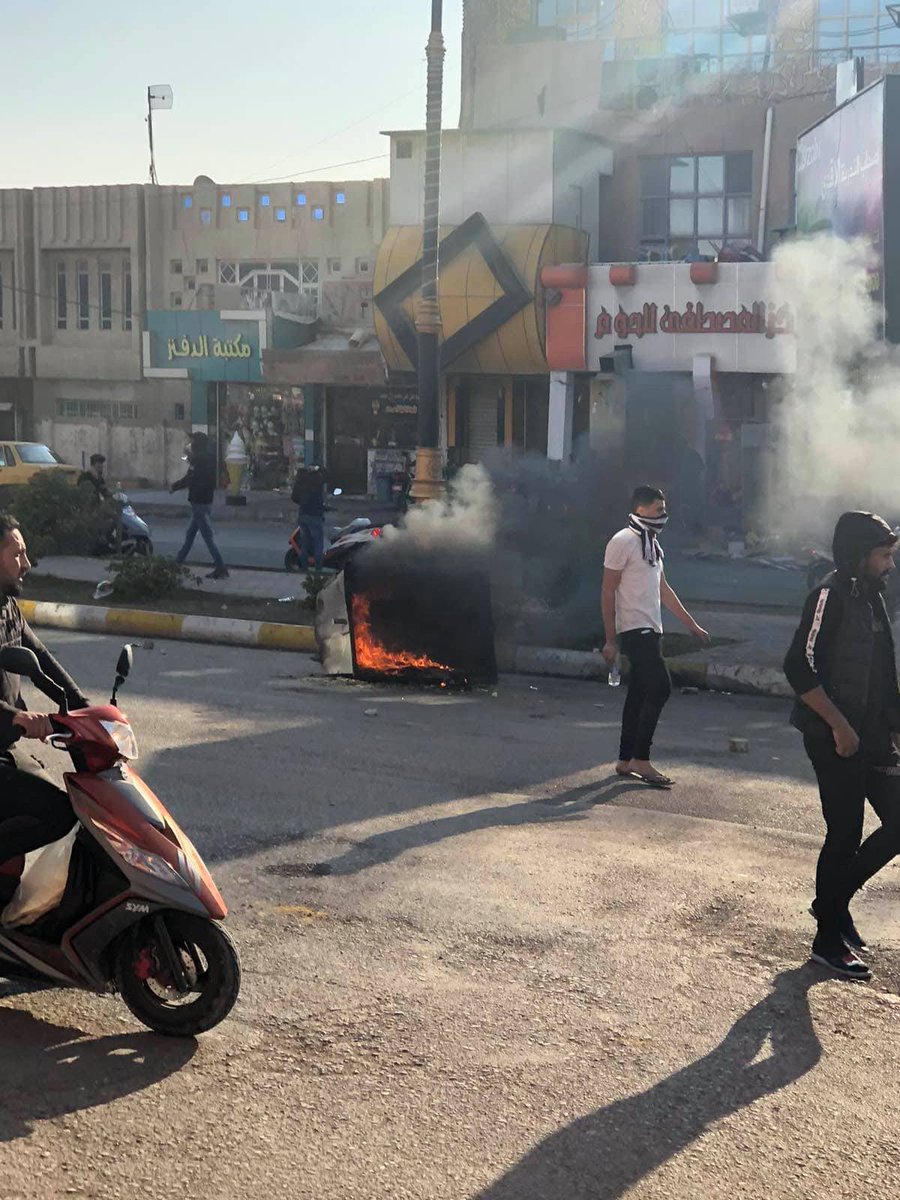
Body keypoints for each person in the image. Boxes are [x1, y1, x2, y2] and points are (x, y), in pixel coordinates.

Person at [784, 511, 900, 982]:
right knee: (844, 833)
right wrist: (838, 726)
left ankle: (831, 903)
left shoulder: (872, 597)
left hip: (871, 735)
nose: (890, 564)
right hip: (833, 736)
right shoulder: (827, 597)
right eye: (884, 555)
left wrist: (894, 729)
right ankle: (827, 942)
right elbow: (797, 668)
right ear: (859, 554)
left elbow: (883, 675)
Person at [0, 513, 90, 895]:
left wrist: (89, 712)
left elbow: (43, 664)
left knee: (64, 801)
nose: (27, 564)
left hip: (5, 743)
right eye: (18, 554)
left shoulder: (8, 609)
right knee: (57, 810)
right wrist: (16, 716)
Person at [602, 485, 710, 788]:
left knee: (638, 693)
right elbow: (607, 591)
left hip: (652, 629)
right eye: (658, 510)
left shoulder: (651, 544)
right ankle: (642, 759)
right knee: (661, 687)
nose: (664, 516)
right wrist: (610, 639)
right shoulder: (623, 541)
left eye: (664, 509)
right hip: (635, 630)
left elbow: (664, 590)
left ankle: (625, 759)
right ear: (640, 510)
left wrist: (691, 624)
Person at [171, 432, 229, 580]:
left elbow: (189, 479)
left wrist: (175, 486)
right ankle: (177, 563)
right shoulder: (209, 459)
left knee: (207, 537)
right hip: (205, 501)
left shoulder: (199, 461)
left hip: (199, 502)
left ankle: (221, 567)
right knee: (190, 535)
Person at [290, 465, 328, 572]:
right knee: (318, 543)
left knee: (304, 543)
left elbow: (294, 497)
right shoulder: (318, 480)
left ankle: (304, 567)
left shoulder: (303, 480)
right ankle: (318, 568)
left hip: (303, 514)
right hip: (315, 515)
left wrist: (302, 503)